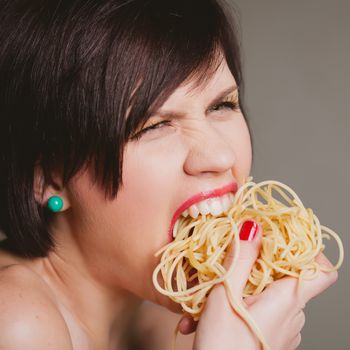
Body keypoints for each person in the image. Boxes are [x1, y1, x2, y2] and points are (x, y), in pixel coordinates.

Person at [0, 0, 338, 349]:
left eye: (222, 105)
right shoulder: (15, 322)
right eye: (155, 125)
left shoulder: (173, 322)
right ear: (48, 176)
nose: (221, 156)